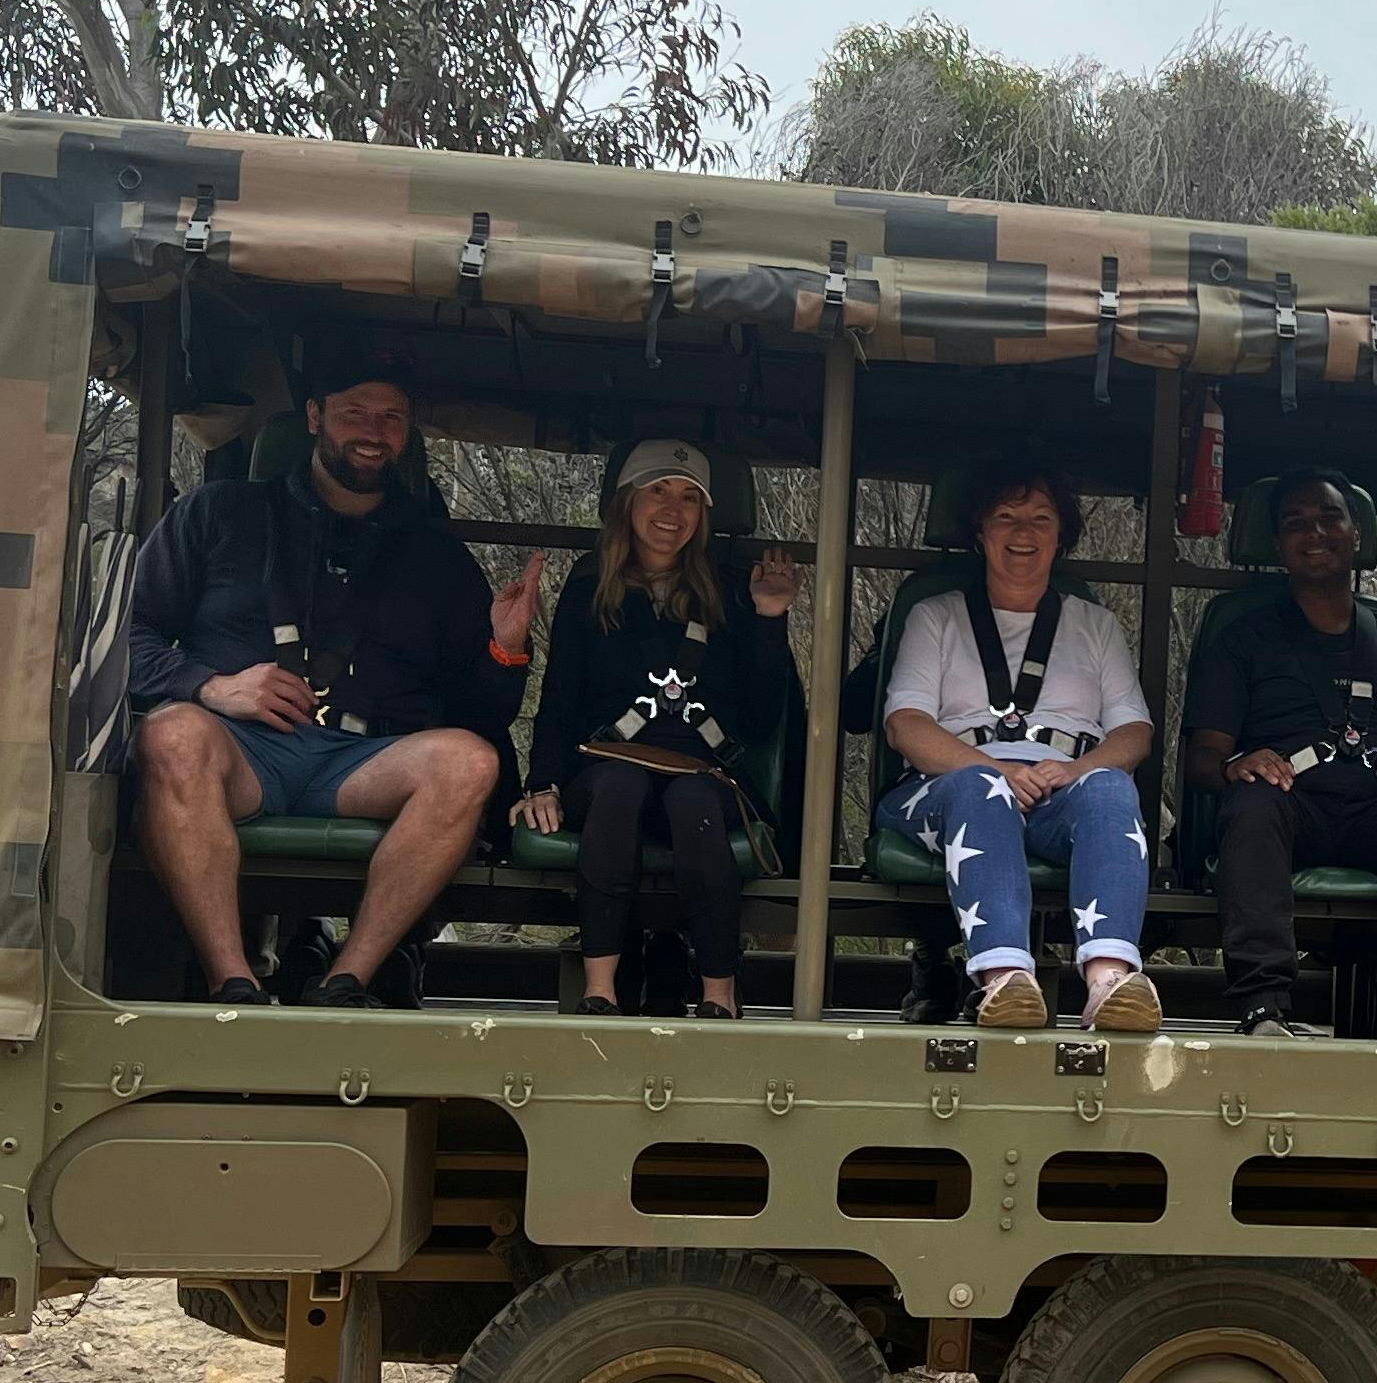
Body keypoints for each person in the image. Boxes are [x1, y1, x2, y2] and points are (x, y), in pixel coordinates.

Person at [127, 354, 531, 1006]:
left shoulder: (439, 558)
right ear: (315, 417)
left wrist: (506, 650)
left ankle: (347, 979)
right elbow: (124, 639)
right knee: (170, 734)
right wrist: (211, 686)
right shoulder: (215, 514)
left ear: (408, 433)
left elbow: (482, 710)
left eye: (391, 418)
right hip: (242, 754)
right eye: (354, 413)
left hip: (364, 763)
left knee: (468, 762)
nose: (373, 432)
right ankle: (231, 983)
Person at [1182, 468, 1377, 1041]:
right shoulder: (1243, 638)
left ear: (1356, 534)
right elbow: (1203, 760)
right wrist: (1234, 766)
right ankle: (1264, 1009)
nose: (1315, 533)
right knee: (1251, 804)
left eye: (1329, 518)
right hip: (1292, 811)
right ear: (1278, 545)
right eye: (1296, 523)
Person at [507, 440, 805, 1017]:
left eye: (690, 497)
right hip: (608, 767)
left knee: (692, 802)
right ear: (628, 502)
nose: (673, 509)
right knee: (620, 788)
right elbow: (560, 697)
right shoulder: (590, 588)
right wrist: (542, 782)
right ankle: (600, 990)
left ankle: (720, 996)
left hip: (703, 771)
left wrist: (770, 618)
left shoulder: (733, 591)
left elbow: (763, 717)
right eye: (659, 491)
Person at [877, 463, 1159, 1032]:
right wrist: (997, 770)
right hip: (948, 787)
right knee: (981, 788)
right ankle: (1005, 980)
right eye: (1005, 516)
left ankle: (1110, 982)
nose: (1023, 532)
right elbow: (905, 724)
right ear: (980, 533)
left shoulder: (1095, 624)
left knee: (1111, 788)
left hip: (1061, 788)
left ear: (1060, 536)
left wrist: (1076, 770)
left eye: (1040, 518)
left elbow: (1134, 732)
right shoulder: (935, 615)